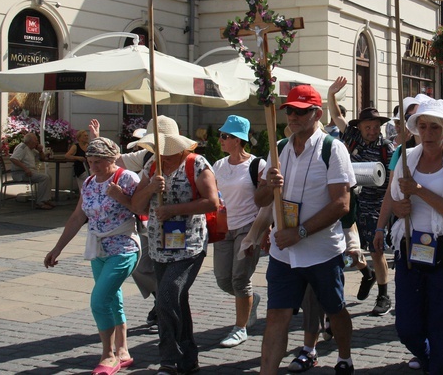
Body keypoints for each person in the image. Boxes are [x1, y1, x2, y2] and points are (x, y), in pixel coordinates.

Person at [251, 84, 357, 375]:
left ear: (317, 113)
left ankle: (345, 354)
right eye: (290, 111)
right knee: (276, 316)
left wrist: (299, 233)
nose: (294, 117)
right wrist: (268, 186)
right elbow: (259, 200)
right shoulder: (279, 147)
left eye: (301, 111)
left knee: (334, 309)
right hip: (283, 253)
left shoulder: (333, 149)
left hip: (320, 251)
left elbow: (341, 204)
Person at [375, 97, 443, 374]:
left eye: (435, 128)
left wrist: (418, 191)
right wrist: (399, 207)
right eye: (423, 127)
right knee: (406, 326)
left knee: (442, 323)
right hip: (411, 244)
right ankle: (429, 358)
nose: (428, 134)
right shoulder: (407, 158)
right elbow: (394, 200)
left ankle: (440, 367)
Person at [131, 116, 220, 375]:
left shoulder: (196, 164)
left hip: (189, 244)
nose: (161, 155)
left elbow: (212, 202)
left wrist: (174, 210)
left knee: (167, 296)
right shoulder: (150, 166)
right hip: (160, 245)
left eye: (165, 150)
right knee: (176, 301)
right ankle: (188, 357)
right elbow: (136, 206)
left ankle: (169, 358)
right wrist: (149, 190)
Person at [44, 137, 140, 375]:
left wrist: (122, 197)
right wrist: (57, 249)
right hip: (98, 249)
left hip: (124, 247)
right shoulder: (88, 182)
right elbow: (78, 217)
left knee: (98, 301)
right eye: (90, 161)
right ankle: (123, 350)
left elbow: (143, 209)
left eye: (99, 162)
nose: (94, 166)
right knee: (111, 298)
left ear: (112, 159)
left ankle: (108, 355)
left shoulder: (127, 178)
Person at [327, 76, 395, 316]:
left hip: (376, 203)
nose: (372, 130)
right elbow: (336, 116)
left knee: (376, 249)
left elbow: (393, 178)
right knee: (347, 249)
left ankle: (384, 295)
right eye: (368, 127)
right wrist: (331, 94)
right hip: (351, 201)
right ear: (361, 127)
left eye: (376, 126)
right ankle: (367, 275)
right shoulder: (352, 138)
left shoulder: (387, 147)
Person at [89, 119, 158, 329]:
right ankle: (164, 299)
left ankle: (169, 302)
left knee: (163, 269)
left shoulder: (186, 160)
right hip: (145, 224)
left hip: (173, 225)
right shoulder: (145, 156)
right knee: (141, 267)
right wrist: (96, 140)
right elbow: (113, 159)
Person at [212, 115, 263, 348]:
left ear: (238, 140)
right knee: (223, 280)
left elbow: (266, 200)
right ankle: (251, 300)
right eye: (221, 135)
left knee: (239, 279)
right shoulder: (218, 165)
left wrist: (267, 228)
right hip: (224, 227)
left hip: (248, 226)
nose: (220, 139)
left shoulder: (256, 165)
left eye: (225, 136)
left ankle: (240, 328)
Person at [9, 132, 54, 210]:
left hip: (30, 172)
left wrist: (40, 151)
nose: (37, 142)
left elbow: (42, 158)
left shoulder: (31, 149)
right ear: (30, 141)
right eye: (36, 140)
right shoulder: (22, 147)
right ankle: (40, 202)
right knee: (44, 177)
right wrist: (25, 168)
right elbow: (13, 158)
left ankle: (46, 199)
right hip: (21, 173)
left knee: (48, 176)